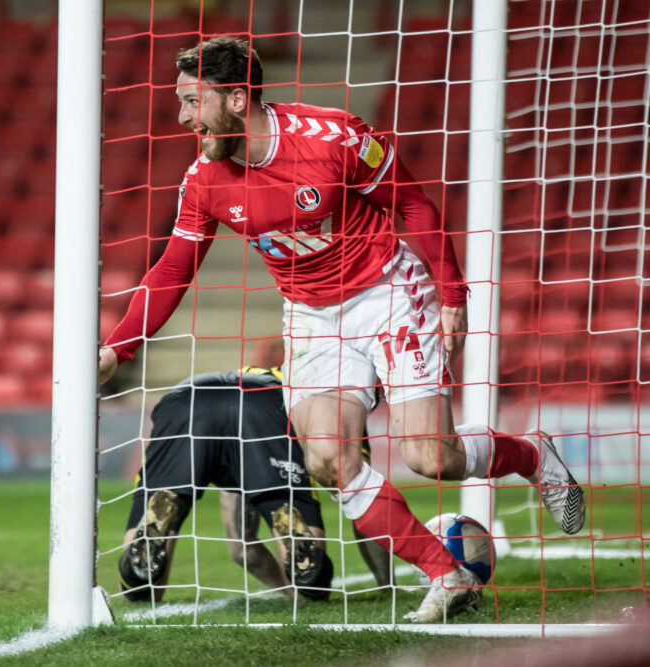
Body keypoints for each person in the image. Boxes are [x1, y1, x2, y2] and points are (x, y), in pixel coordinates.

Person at [100, 36, 585, 622]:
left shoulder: (333, 138)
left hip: (387, 294)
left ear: (236, 99)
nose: (182, 119)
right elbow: (172, 271)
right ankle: (448, 575)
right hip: (311, 316)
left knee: (432, 458)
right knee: (329, 460)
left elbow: (414, 205)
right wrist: (117, 349)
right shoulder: (204, 180)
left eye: (191, 101)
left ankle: (532, 455)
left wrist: (452, 296)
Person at [118, 366, 394, 603]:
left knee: (141, 593)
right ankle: (288, 522)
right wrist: (387, 583)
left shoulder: (287, 370)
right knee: (313, 586)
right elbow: (362, 496)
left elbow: (242, 548)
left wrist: (285, 590)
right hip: (264, 406)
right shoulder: (344, 402)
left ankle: (141, 566)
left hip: (185, 399)